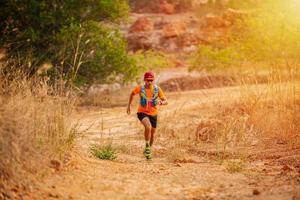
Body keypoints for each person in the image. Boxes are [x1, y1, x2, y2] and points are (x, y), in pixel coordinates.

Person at [127, 71, 168, 159]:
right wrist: (129, 106)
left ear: (153, 80)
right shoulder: (140, 88)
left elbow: (166, 101)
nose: (149, 82)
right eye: (147, 80)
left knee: (153, 134)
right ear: (144, 80)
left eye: (151, 80)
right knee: (148, 127)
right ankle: (146, 144)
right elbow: (132, 94)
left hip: (153, 113)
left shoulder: (157, 89)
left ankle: (148, 149)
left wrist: (160, 102)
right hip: (142, 112)